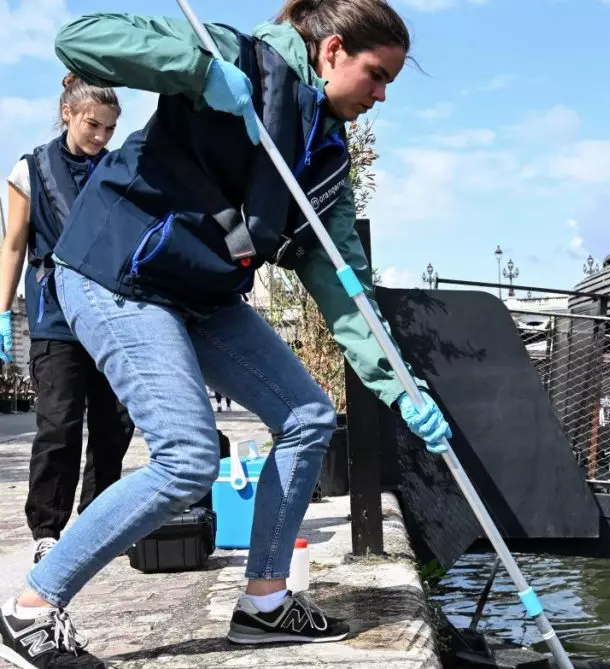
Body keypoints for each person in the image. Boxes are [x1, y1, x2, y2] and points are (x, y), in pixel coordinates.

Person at [0, 2, 452, 667]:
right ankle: (30, 609)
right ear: (332, 52)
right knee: (186, 456)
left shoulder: (324, 158)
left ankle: (265, 602)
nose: (381, 95)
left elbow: (345, 286)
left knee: (307, 414)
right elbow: (81, 39)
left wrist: (399, 385)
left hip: (201, 295)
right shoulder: (235, 59)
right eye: (377, 75)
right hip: (114, 272)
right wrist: (195, 70)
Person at [0, 75, 135, 568]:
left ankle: (97, 520)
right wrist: (2, 312)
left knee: (114, 423)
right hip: (54, 316)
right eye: (92, 124)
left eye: (110, 128)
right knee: (59, 424)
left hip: (111, 315)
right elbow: (14, 243)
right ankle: (47, 529)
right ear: (67, 114)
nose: (101, 136)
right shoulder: (30, 168)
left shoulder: (118, 169)